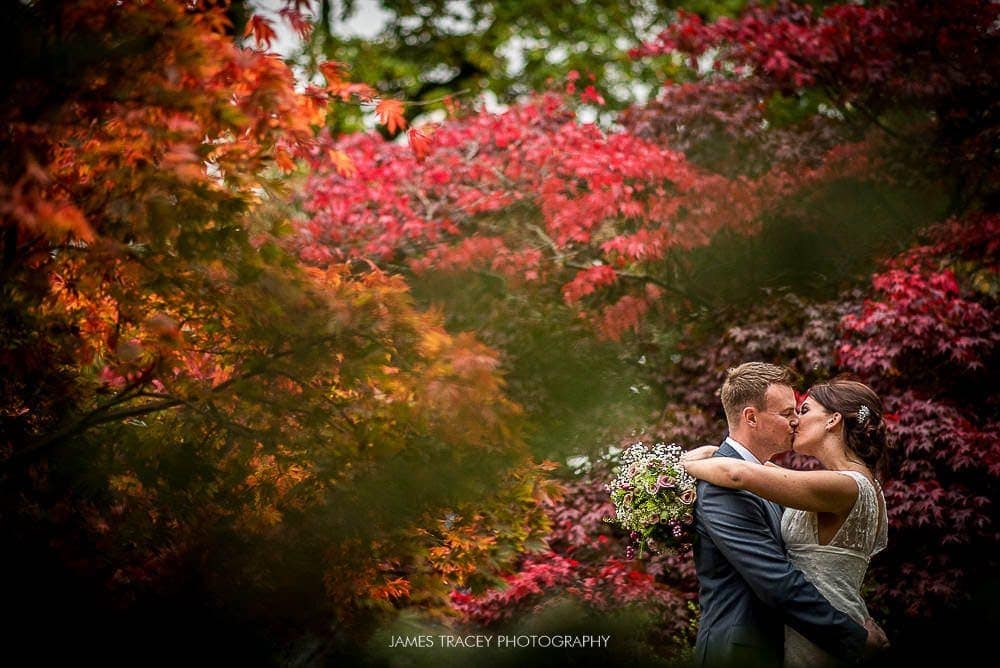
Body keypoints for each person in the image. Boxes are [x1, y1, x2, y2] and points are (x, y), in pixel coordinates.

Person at [681, 363, 888, 667]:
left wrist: (680, 464)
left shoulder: (837, 484)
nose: (794, 422)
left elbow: (739, 473)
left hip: (818, 636)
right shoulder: (721, 486)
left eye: (801, 411)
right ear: (751, 417)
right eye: (788, 413)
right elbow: (774, 580)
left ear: (833, 420)